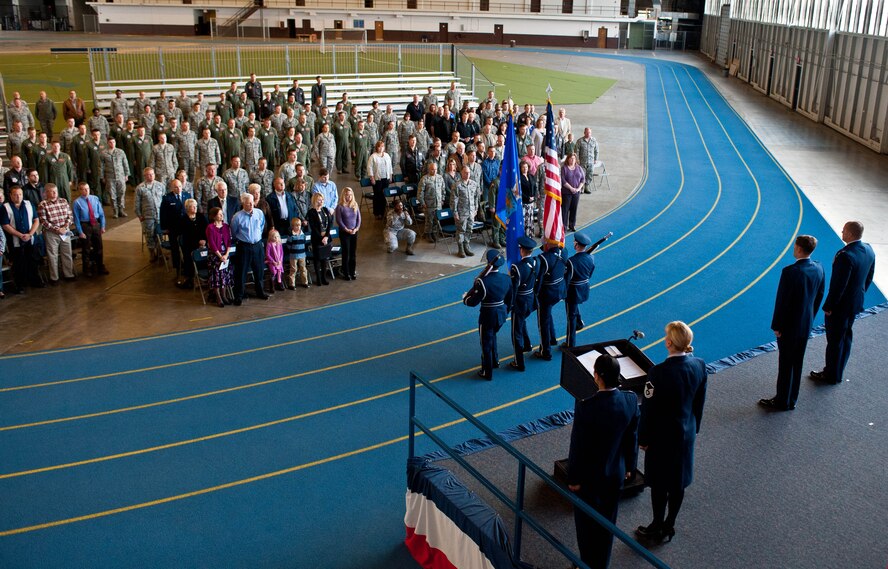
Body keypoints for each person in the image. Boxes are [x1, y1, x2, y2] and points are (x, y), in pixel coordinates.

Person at [636, 321, 707, 543]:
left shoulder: (657, 373)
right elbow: (699, 402)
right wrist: (693, 428)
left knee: (659, 483)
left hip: (661, 437)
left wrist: (644, 438)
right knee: (678, 482)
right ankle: (669, 524)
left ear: (668, 343)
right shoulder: (699, 365)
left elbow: (648, 409)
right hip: (685, 434)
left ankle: (656, 523)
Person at [568, 354, 639, 569]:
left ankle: (586, 563)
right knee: (607, 524)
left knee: (585, 525)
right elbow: (632, 436)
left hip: (589, 478)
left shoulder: (586, 407)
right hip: (615, 474)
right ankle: (601, 564)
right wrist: (630, 466)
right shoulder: (630, 400)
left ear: (596, 376)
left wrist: (574, 478)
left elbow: (577, 446)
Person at [759, 235, 825, 411]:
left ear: (798, 248)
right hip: (805, 324)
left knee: (785, 364)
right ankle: (792, 398)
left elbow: (783, 302)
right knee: (797, 362)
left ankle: (782, 401)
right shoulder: (819, 267)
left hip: (789, 327)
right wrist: (810, 316)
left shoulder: (790, 272)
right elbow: (819, 295)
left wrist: (777, 326)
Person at [810, 221, 876, 385]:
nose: (841, 232)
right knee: (846, 337)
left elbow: (839, 285)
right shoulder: (868, 249)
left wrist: (829, 306)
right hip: (855, 303)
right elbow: (868, 277)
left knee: (834, 341)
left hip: (840, 307)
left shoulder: (845, 256)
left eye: (844, 230)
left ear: (851, 234)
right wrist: (858, 295)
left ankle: (831, 374)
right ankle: (838, 370)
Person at [462, 249, 512, 380]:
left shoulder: (483, 282)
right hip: (501, 314)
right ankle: (495, 361)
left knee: (486, 344)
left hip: (487, 316)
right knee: (493, 336)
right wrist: (506, 310)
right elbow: (509, 298)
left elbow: (473, 302)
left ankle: (487, 371)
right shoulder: (506, 279)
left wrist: (465, 298)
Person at [1, 186, 44, 291]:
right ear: (10, 195)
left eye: (20, 194)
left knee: (33, 261)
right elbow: (5, 225)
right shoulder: (5, 207)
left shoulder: (29, 204)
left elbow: (36, 220)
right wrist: (20, 235)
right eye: (15, 194)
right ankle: (20, 285)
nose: (18, 196)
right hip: (15, 240)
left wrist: (30, 234)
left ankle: (34, 281)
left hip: (30, 238)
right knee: (18, 263)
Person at [230, 192, 269, 304]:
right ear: (243, 204)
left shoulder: (259, 213)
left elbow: (262, 226)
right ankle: (239, 295)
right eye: (248, 204)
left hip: (257, 245)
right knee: (241, 272)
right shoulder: (237, 217)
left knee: (259, 270)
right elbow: (234, 231)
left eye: (252, 203)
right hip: (244, 246)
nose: (251, 205)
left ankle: (260, 291)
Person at [509, 236, 539, 371]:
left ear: (522, 250)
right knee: (522, 322)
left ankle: (519, 362)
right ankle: (527, 345)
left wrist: (509, 305)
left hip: (520, 302)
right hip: (530, 299)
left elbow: (514, 289)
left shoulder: (517, 267)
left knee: (516, 332)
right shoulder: (536, 262)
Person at [37, 183, 76, 284]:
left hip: (65, 231)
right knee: (52, 255)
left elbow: (70, 216)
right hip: (51, 233)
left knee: (67, 253)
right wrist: (57, 229)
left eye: (56, 191)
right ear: (46, 193)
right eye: (52, 191)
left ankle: (69, 274)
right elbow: (44, 221)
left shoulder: (63, 201)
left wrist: (65, 227)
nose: (54, 193)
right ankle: (54, 277)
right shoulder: (42, 204)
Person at [534, 243, 567, 361]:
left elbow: (539, 279)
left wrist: (535, 294)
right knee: (548, 315)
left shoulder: (544, 259)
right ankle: (552, 338)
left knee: (543, 322)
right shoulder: (564, 251)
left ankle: (545, 351)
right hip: (559, 290)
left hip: (547, 294)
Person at [565, 232, 596, 349]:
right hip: (584, 288)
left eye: (574, 242)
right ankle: (579, 322)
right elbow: (590, 274)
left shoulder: (571, 261)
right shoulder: (591, 258)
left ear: (577, 245)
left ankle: (570, 343)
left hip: (573, 291)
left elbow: (567, 279)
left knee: (570, 317)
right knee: (574, 311)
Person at [71, 182, 109, 277]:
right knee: (86, 248)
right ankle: (86, 269)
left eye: (87, 188)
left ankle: (100, 266)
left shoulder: (95, 198)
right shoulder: (77, 202)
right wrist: (80, 231)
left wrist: (103, 226)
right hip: (85, 225)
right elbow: (76, 219)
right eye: (83, 189)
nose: (86, 191)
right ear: (80, 190)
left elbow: (101, 214)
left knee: (99, 247)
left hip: (95, 224)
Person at [159, 178, 192, 284]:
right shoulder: (167, 198)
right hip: (173, 228)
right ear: (172, 188)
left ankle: (187, 269)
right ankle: (178, 269)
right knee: (175, 249)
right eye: (176, 187)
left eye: (180, 187)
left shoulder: (187, 195)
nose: (178, 189)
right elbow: (163, 214)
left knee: (186, 248)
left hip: (186, 227)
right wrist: (165, 228)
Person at [205, 206, 233, 307]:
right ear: (214, 216)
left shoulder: (226, 226)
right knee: (216, 277)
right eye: (219, 214)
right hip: (215, 256)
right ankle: (218, 297)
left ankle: (224, 295)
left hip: (225, 255)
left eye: (222, 214)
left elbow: (229, 241)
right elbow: (212, 244)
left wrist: (226, 255)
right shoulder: (210, 228)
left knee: (224, 276)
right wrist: (220, 256)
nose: (222, 215)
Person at [177, 198, 208, 290]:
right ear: (187, 208)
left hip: (203, 243)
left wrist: (204, 240)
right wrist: (197, 242)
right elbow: (186, 236)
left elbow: (207, 230)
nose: (195, 208)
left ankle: (204, 278)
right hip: (190, 245)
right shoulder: (183, 220)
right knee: (190, 255)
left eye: (196, 206)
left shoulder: (201, 217)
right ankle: (192, 278)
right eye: (192, 206)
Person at [451, 165, 479, 258]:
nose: (467, 174)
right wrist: (455, 213)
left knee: (469, 230)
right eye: (465, 173)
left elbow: (476, 198)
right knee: (461, 230)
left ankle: (466, 246)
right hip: (461, 212)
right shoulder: (457, 185)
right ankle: (461, 249)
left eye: (469, 173)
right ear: (462, 173)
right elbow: (453, 200)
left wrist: (476, 209)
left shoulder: (474, 184)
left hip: (471, 212)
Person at [307, 192, 333, 286]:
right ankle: (318, 278)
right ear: (314, 200)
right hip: (317, 238)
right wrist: (321, 237)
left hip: (326, 238)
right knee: (317, 259)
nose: (321, 202)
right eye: (319, 200)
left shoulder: (325, 210)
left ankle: (324, 277)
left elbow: (330, 223)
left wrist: (326, 236)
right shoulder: (311, 212)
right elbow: (313, 227)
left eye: (322, 200)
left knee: (324, 259)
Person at [335, 187, 361, 280]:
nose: (348, 196)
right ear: (343, 195)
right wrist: (346, 229)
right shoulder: (340, 206)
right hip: (344, 233)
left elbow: (359, 219)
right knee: (346, 253)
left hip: (354, 232)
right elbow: (339, 220)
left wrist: (356, 228)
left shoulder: (355, 205)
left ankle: (352, 271)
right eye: (346, 194)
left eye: (350, 195)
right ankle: (346, 273)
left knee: (353, 253)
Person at [367, 140, 393, 219]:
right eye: (379, 146)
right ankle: (377, 213)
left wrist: (390, 176)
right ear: (376, 147)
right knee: (377, 196)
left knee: (384, 195)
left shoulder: (387, 155)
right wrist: (372, 178)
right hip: (377, 179)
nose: (381, 148)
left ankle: (383, 212)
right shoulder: (373, 156)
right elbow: (369, 168)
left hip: (386, 178)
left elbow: (390, 166)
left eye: (382, 146)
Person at [561, 153, 585, 232]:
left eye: (574, 159)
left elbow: (582, 179)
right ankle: (563, 226)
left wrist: (578, 189)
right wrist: (571, 188)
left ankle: (572, 225)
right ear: (567, 159)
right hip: (566, 193)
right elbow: (563, 180)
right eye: (571, 158)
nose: (572, 160)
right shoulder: (564, 168)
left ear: (576, 160)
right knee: (565, 210)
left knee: (574, 209)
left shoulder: (579, 168)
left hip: (576, 193)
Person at [286, 217, 309, 289]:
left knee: (303, 269)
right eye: (296, 225)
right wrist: (293, 250)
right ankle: (292, 284)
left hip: (302, 255)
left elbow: (304, 243)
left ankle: (305, 282)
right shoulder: (291, 235)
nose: (298, 227)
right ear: (292, 226)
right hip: (293, 255)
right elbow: (288, 245)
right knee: (293, 269)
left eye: (299, 225)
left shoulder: (303, 234)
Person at [576, 128, 599, 194]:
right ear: (584, 133)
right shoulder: (580, 141)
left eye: (589, 132)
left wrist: (596, 159)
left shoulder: (594, 141)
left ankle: (586, 187)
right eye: (587, 132)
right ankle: (582, 188)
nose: (588, 134)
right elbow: (576, 151)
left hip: (591, 161)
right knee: (582, 175)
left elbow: (596, 150)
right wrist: (577, 159)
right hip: (582, 161)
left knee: (589, 174)